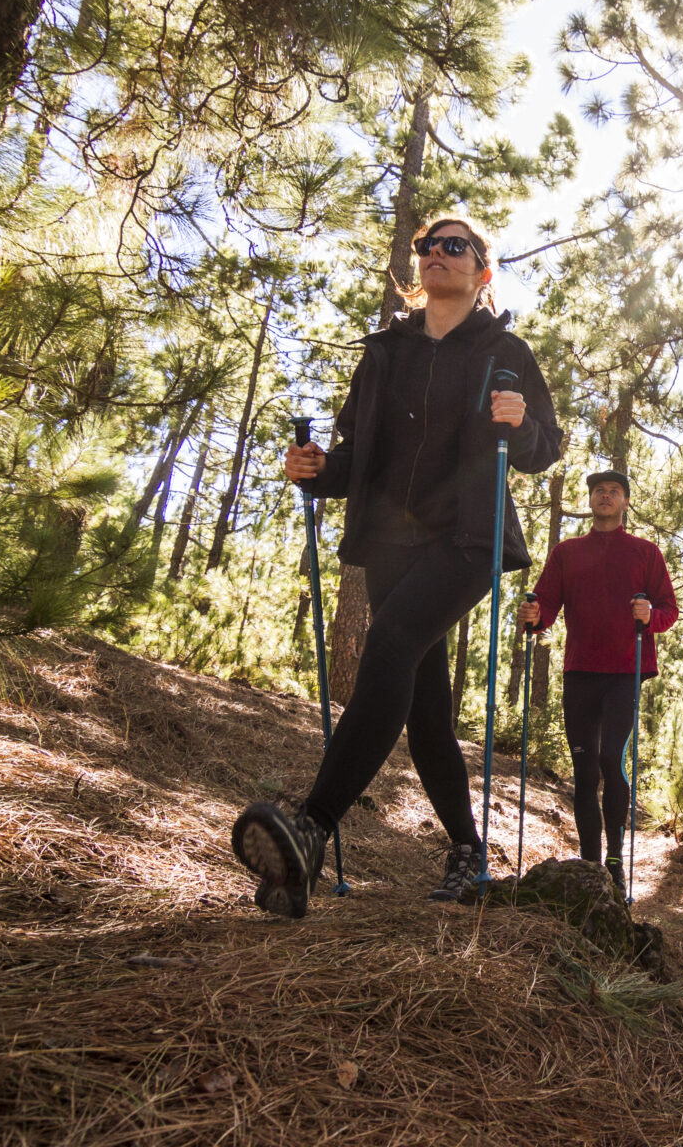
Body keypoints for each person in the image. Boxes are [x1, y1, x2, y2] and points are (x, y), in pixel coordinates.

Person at [231, 217, 561, 918]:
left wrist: (521, 422)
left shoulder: (505, 352)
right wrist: (318, 470)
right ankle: (467, 852)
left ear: (482, 272)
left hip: (467, 539)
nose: (436, 253)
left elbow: (543, 449)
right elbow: (356, 452)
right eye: (427, 246)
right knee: (427, 711)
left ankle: (311, 829)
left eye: (454, 246)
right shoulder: (385, 351)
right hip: (388, 543)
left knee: (388, 643)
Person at [517, 470, 677, 893]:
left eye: (614, 491)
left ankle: (615, 862)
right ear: (589, 500)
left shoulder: (645, 552)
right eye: (599, 491)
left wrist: (650, 616)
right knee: (584, 768)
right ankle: (590, 864)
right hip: (580, 671)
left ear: (625, 502)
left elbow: (668, 609)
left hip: (625, 671)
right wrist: (534, 617)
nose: (606, 496)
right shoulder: (567, 552)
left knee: (611, 759)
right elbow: (546, 603)